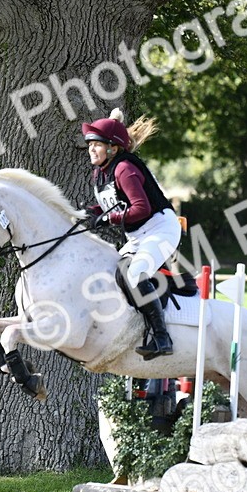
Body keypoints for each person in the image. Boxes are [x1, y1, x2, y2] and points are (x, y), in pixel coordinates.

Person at [82, 108, 181, 359]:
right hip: (139, 235)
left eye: (97, 145)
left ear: (113, 149)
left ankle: (162, 338)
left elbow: (141, 208)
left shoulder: (124, 169)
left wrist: (107, 219)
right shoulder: (101, 172)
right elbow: (113, 204)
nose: (91, 149)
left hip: (161, 229)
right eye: (90, 144)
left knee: (135, 274)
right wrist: (90, 213)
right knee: (116, 272)